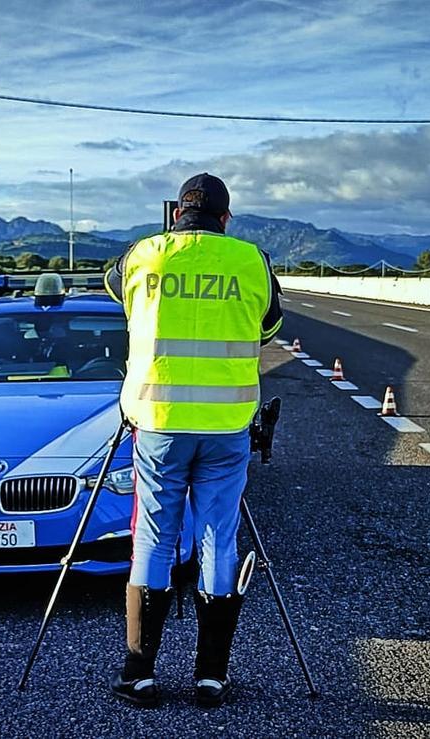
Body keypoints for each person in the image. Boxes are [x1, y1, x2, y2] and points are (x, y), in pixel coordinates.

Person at [104, 173, 283, 708]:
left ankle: (140, 673)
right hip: (227, 428)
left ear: (176, 214)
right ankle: (211, 677)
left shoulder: (144, 255)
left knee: (154, 539)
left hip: (157, 422)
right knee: (217, 540)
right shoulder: (252, 261)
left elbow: (117, 290)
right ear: (226, 219)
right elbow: (269, 327)